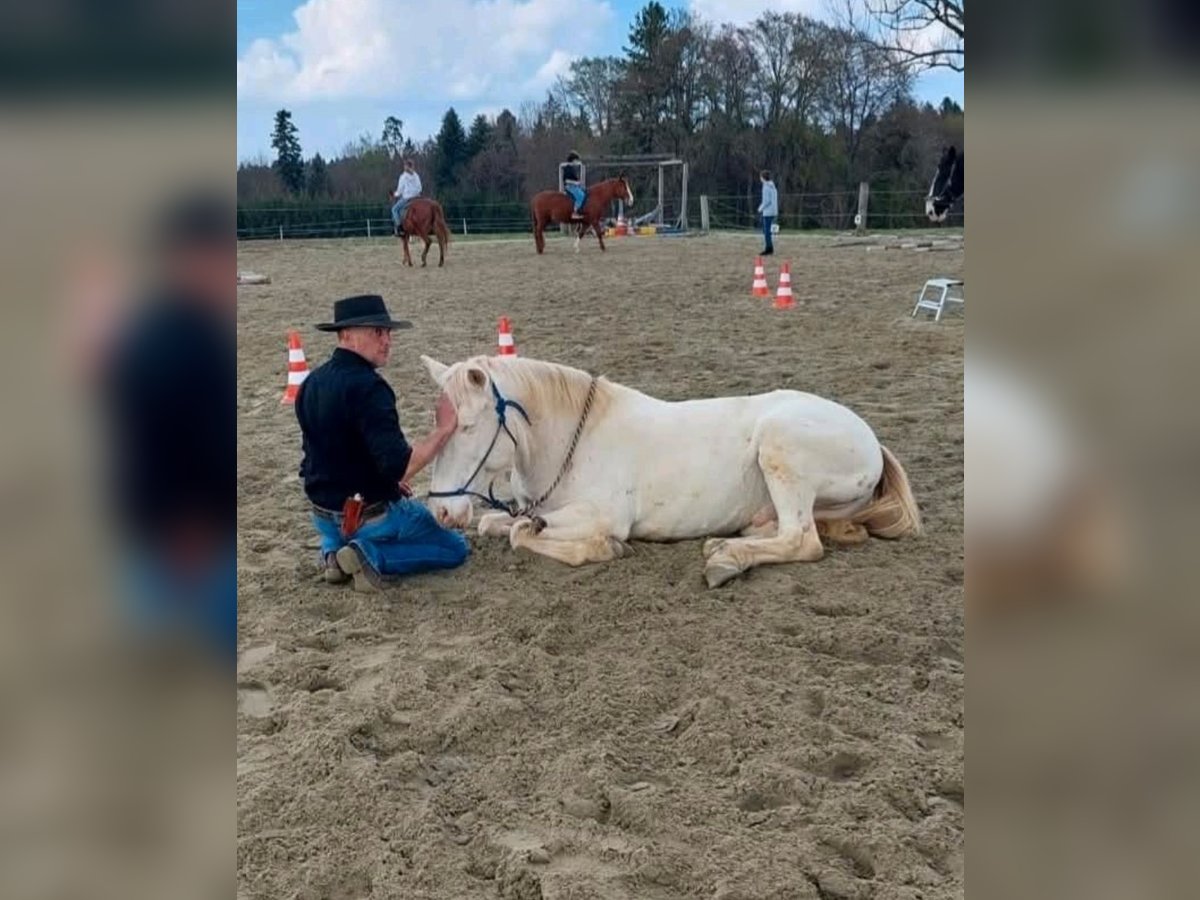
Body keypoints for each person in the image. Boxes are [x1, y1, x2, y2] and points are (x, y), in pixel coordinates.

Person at [102, 188, 235, 659]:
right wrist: (182, 520)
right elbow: (152, 439)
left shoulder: (196, 328)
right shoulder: (167, 341)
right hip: (182, 527)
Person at [295, 294, 469, 592]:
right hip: (368, 517)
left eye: (388, 332)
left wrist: (380, 479)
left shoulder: (311, 382)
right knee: (455, 548)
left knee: (346, 524)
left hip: (322, 513)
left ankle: (332, 555)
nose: (387, 340)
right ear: (346, 335)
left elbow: (331, 452)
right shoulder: (370, 388)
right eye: (377, 331)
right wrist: (443, 430)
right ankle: (369, 555)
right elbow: (400, 466)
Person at [390, 159, 422, 236]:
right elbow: (420, 188)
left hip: (407, 198)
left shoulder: (403, 177)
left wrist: (394, 195)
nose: (404, 167)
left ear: (407, 167)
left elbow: (400, 190)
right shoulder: (416, 176)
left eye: (405, 166)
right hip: (417, 197)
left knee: (394, 209)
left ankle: (399, 228)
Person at [757, 169, 778, 255]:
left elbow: (766, 201)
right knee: (768, 231)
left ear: (763, 178)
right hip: (773, 211)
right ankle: (769, 247)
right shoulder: (773, 186)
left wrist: (760, 208)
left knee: (766, 232)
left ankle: (768, 248)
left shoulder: (766, 187)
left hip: (768, 212)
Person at [563, 151, 586, 220]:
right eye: (576, 160)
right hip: (569, 187)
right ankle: (575, 213)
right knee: (580, 196)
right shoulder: (567, 168)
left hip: (574, 186)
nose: (577, 162)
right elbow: (566, 180)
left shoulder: (572, 168)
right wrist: (576, 183)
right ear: (573, 160)